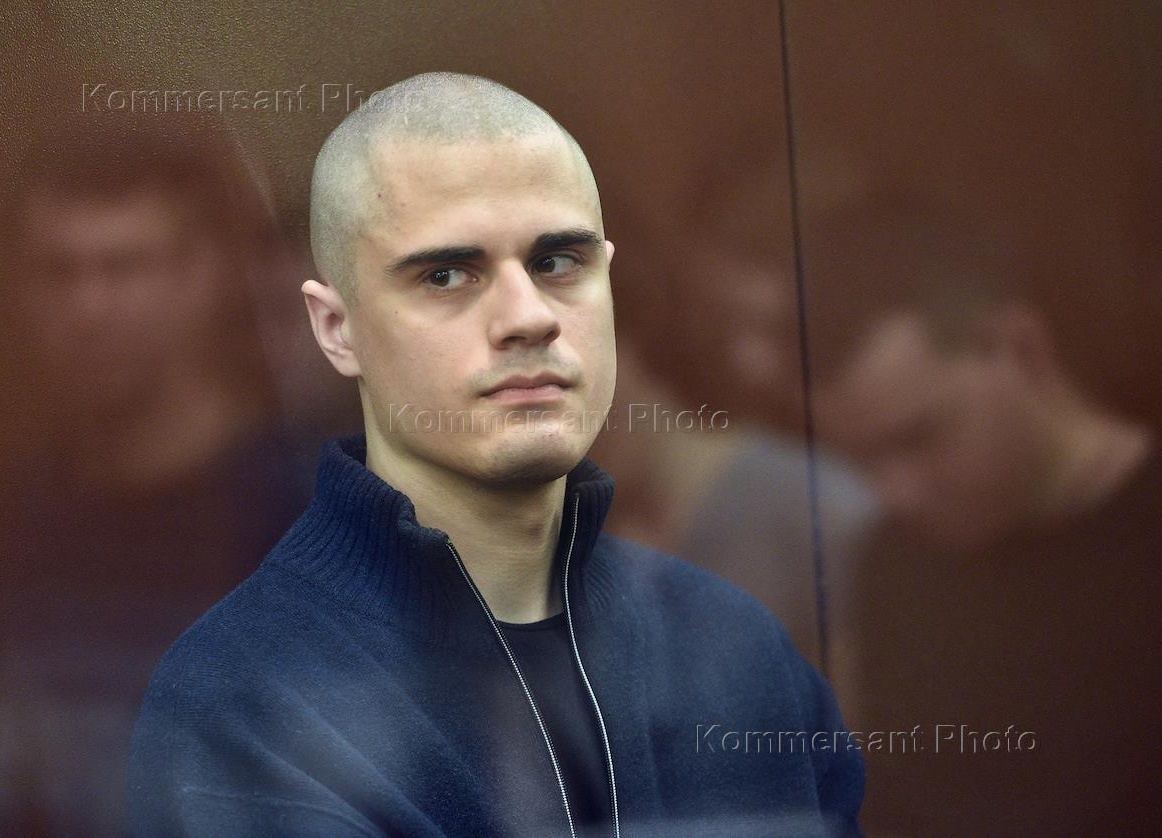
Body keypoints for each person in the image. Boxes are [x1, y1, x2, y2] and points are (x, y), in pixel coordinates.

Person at [128, 72, 864, 837]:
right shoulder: (248, 697)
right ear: (337, 330)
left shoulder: (739, 647)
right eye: (446, 274)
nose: (528, 317)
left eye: (558, 262)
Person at [0, 115, 310, 836]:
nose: (89, 309)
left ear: (208, 275)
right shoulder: (3, 527)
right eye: (59, 271)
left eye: (125, 267)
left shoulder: (310, 521)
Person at [808, 195, 1161, 836]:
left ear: (1020, 346)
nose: (894, 493)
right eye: (862, 459)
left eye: (919, 437)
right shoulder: (894, 561)